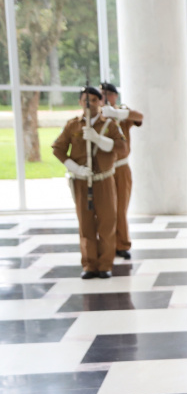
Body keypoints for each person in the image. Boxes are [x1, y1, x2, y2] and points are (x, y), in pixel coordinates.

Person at [52, 86, 126, 279]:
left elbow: (121, 146)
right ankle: (89, 265)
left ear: (100, 102)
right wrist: (75, 168)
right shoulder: (72, 125)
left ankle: (105, 265)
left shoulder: (109, 125)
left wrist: (98, 139)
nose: (90, 104)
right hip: (81, 181)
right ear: (79, 102)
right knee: (86, 225)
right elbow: (57, 149)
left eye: (94, 100)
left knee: (107, 223)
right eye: (86, 100)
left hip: (104, 180)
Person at [99, 82, 143, 260]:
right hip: (102, 169)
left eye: (109, 94)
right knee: (105, 210)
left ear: (115, 96)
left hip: (121, 167)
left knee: (121, 208)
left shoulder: (122, 113)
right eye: (102, 94)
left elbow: (139, 117)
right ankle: (106, 245)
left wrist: (118, 114)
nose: (105, 97)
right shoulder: (96, 115)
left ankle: (122, 244)